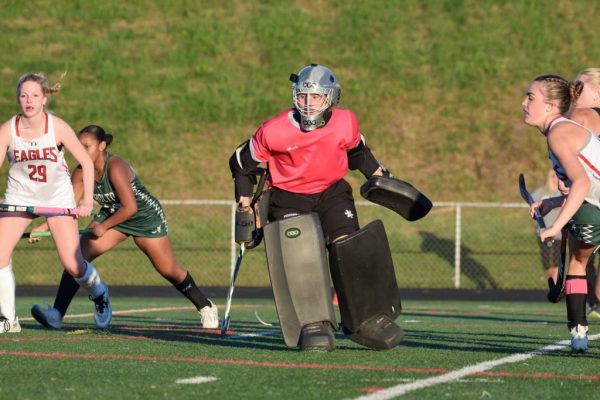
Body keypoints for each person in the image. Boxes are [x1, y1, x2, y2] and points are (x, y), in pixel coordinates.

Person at [229, 64, 407, 352]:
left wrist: (377, 176)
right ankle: (314, 325)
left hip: (332, 193)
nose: (308, 104)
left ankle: (367, 320)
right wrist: (245, 200)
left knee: (348, 247)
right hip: (288, 197)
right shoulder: (273, 131)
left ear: (331, 99)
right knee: (303, 256)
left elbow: (358, 152)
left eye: (316, 97)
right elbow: (239, 163)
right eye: (302, 96)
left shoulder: (346, 122)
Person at [29, 125, 219, 330]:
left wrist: (103, 227)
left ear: (102, 146)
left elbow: (130, 207)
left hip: (144, 217)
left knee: (168, 269)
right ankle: (58, 313)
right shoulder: (81, 172)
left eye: (87, 146)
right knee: (75, 258)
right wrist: (43, 226)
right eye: (78, 146)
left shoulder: (116, 166)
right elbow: (69, 207)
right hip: (113, 213)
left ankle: (205, 306)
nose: (81, 151)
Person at [0, 73, 111, 333]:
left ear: (44, 98)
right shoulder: (8, 129)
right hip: (19, 197)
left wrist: (85, 202)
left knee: (73, 264)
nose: (28, 101)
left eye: (34, 95)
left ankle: (99, 292)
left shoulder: (57, 126)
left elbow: (84, 161)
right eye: (24, 95)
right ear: (18, 97)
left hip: (56, 198)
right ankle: (8, 319)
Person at [523, 74, 600, 352]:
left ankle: (579, 331)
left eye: (531, 97)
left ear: (551, 105)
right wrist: (552, 204)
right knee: (578, 263)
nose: (524, 103)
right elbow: (587, 182)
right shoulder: (557, 132)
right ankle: (578, 331)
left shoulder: (558, 132)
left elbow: (582, 182)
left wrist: (556, 227)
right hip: (595, 204)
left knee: (581, 266)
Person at [569, 68, 600, 318]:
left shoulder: (580, 115)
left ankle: (577, 327)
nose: (572, 92)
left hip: (592, 197)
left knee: (578, 259)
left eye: (578, 87)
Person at [530, 169, 562, 283]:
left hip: (558, 234)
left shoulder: (561, 192)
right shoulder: (542, 192)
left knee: (556, 262)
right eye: (552, 176)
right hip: (543, 232)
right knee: (547, 263)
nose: (555, 179)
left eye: (557, 176)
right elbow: (532, 201)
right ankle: (552, 283)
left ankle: (556, 285)